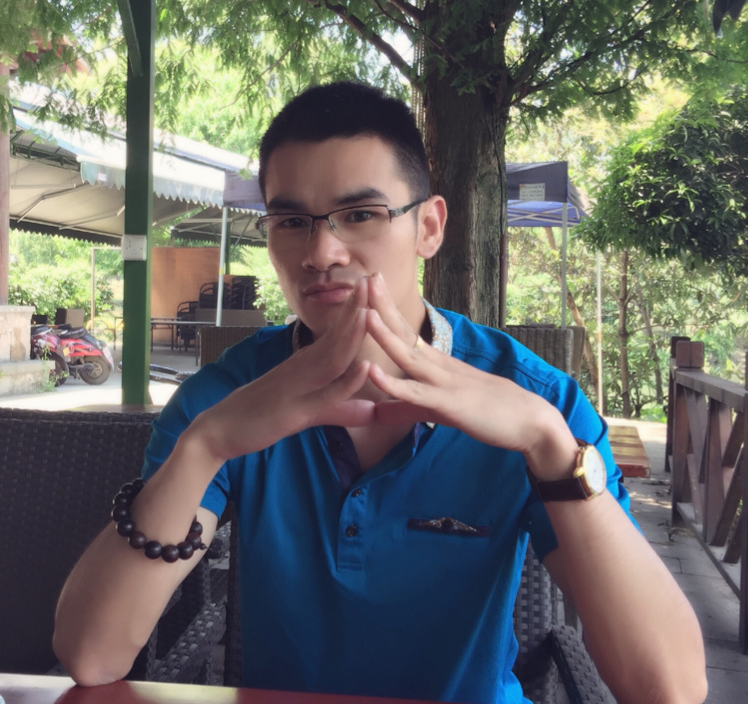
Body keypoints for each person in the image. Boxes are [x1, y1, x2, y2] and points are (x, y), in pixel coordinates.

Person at [54, 81, 707, 704]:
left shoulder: (539, 405)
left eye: (360, 214)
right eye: (292, 221)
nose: (321, 252)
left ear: (429, 227)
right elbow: (92, 655)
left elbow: (670, 689)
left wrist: (549, 447)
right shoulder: (227, 400)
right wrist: (205, 447)